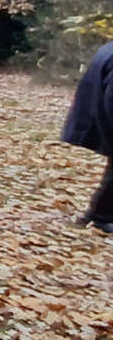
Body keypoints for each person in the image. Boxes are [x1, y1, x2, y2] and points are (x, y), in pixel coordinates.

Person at [62, 42, 113, 233]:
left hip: (96, 114)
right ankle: (100, 216)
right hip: (102, 115)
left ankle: (98, 215)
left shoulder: (108, 47)